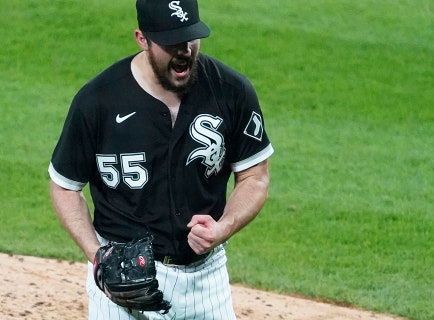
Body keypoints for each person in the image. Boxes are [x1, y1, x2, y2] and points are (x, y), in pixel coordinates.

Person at [48, 0, 273, 318]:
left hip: (205, 283)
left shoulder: (231, 90)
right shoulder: (98, 101)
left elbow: (255, 176)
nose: (185, 51)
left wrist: (223, 227)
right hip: (121, 287)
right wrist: (98, 257)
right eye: (171, 42)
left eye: (190, 38)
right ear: (142, 39)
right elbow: (65, 187)